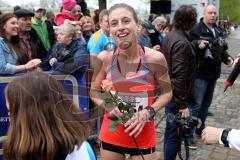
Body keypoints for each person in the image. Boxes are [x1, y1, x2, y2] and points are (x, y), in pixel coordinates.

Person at [90, 3, 172, 160]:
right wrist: (108, 104)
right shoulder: (104, 58)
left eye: (126, 21)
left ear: (138, 25)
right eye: (114, 23)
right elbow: (94, 91)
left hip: (143, 134)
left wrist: (148, 112)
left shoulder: (155, 58)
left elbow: (167, 93)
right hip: (112, 133)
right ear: (110, 29)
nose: (120, 27)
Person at [3, 71, 90, 160]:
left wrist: (105, 102)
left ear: (29, 117)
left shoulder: (21, 152)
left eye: (11, 111)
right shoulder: (81, 147)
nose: (9, 115)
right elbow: (95, 90)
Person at [190, 4, 234, 136]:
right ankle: (188, 134)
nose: (213, 15)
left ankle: (199, 128)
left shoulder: (218, 29)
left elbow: (221, 49)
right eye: (210, 13)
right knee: (196, 105)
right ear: (204, 14)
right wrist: (198, 44)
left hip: (213, 74)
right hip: (200, 74)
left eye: (215, 13)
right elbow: (188, 45)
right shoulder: (196, 29)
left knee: (206, 105)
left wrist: (228, 59)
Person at [161, 5, 198, 159]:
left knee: (171, 132)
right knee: (174, 135)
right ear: (190, 21)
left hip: (172, 94)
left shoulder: (171, 35)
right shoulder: (181, 42)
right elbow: (178, 76)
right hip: (177, 98)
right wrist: (183, 105)